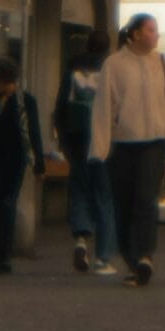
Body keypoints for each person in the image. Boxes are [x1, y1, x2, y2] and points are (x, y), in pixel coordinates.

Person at [90, 12, 165, 287]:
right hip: (122, 145)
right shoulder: (114, 64)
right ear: (134, 34)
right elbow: (103, 107)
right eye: (150, 30)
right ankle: (132, 260)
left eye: (156, 30)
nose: (156, 34)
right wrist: (99, 147)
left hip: (154, 143)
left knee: (146, 199)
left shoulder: (164, 64)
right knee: (123, 204)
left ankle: (145, 256)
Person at [54, 29, 120, 276]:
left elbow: (60, 105)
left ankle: (81, 239)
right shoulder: (111, 69)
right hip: (103, 139)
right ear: (106, 48)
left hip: (76, 136)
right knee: (104, 195)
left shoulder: (73, 69)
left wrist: (63, 138)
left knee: (80, 188)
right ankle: (103, 256)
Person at [0, 57, 46, 274]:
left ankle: (4, 256)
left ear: (9, 81)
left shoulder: (25, 101)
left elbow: (34, 132)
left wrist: (39, 164)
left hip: (15, 159)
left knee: (6, 204)